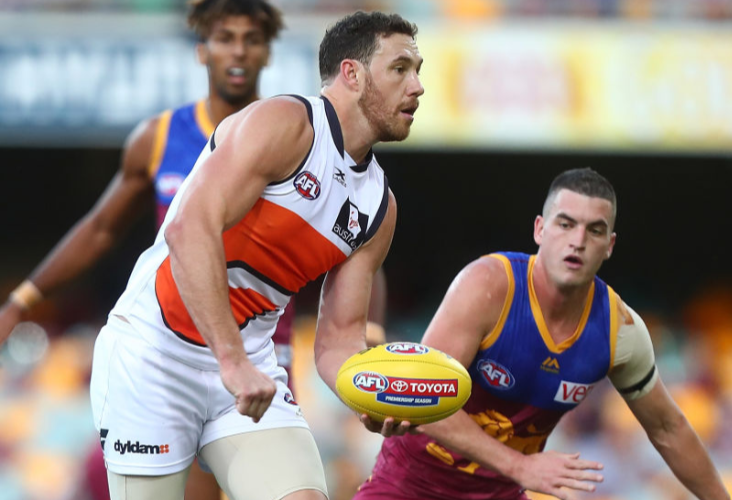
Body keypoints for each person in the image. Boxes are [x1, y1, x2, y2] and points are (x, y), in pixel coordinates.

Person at [86, 10, 423, 500]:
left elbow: (339, 340)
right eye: (400, 68)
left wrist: (368, 395)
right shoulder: (285, 123)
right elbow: (187, 229)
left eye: (418, 70)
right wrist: (232, 360)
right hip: (152, 357)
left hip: (249, 369)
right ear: (352, 74)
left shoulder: (379, 206)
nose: (416, 86)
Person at [0, 2, 281, 499]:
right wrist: (23, 299)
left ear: (267, 52)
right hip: (175, 345)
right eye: (224, 37)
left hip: (262, 349)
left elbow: (349, 227)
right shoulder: (159, 138)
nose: (238, 50)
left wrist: (362, 323)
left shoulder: (293, 140)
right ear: (202, 50)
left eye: (252, 39)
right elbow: (102, 229)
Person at [354, 168, 731, 500]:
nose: (578, 240)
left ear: (609, 246)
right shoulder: (488, 286)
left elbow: (668, 428)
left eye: (594, 230)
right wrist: (521, 467)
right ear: (540, 229)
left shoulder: (621, 331)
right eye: (566, 224)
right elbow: (420, 396)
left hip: (499, 493)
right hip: (409, 486)